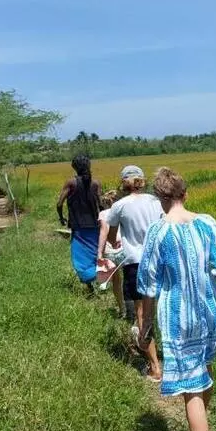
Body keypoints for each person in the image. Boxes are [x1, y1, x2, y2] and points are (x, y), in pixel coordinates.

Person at [137, 167, 216, 431]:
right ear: (186, 194)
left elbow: (148, 284)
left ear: (159, 198)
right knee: (205, 368)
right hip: (209, 311)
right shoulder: (207, 223)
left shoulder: (158, 232)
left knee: (192, 388)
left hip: (179, 320)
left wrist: (146, 324)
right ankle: (201, 424)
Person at [97, 165, 164, 381]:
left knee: (142, 313)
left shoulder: (119, 205)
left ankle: (155, 367)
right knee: (162, 308)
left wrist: (119, 241)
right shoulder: (156, 201)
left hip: (135, 263)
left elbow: (111, 235)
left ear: (123, 183)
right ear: (142, 181)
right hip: (160, 260)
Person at [56, 154, 102, 286]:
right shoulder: (96, 183)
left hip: (78, 226)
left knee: (81, 257)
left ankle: (89, 284)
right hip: (94, 225)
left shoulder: (71, 183)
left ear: (74, 167)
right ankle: (100, 281)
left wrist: (61, 218)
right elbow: (101, 205)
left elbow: (59, 204)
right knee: (95, 254)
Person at [98, 190, 127, 319]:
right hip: (125, 249)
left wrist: (99, 252)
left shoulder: (103, 214)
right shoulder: (124, 211)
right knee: (129, 278)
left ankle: (122, 309)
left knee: (116, 281)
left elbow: (103, 232)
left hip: (110, 251)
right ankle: (132, 307)